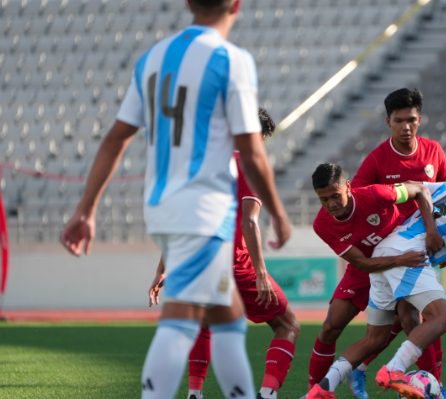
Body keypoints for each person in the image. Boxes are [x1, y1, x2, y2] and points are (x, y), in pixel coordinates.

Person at [60, 2, 292, 398]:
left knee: (225, 320)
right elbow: (252, 152)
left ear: (187, 3)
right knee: (182, 322)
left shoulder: (153, 59)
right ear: (236, 5)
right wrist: (279, 214)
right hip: (205, 209)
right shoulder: (231, 60)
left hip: (165, 206)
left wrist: (86, 208)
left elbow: (116, 137)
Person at [307, 174, 446, 399]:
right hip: (410, 255)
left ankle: (323, 388)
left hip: (385, 252)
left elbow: (419, 189)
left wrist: (433, 231)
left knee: (376, 338)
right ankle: (393, 370)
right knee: (442, 319)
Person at [148, 109, 299, 399]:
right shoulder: (252, 165)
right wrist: (260, 272)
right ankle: (267, 394)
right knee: (287, 324)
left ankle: (195, 393)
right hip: (235, 263)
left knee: (204, 322)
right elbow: (249, 220)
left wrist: (163, 266)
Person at [347, 88, 446, 399]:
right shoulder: (378, 158)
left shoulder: (434, 152)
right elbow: (358, 198)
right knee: (422, 319)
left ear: (419, 119)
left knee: (412, 320)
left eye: (412, 120)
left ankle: (366, 369)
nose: (406, 126)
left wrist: (444, 245)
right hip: (392, 251)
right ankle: (433, 386)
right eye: (399, 121)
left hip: (423, 249)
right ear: (388, 122)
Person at [307, 163, 444, 393]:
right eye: (323, 199)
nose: (330, 204)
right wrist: (399, 260)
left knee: (411, 321)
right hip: (369, 266)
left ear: (348, 187)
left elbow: (420, 190)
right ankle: (316, 391)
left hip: (401, 255)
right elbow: (360, 262)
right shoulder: (322, 224)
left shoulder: (376, 194)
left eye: (335, 196)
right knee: (330, 327)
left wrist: (431, 231)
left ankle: (436, 388)